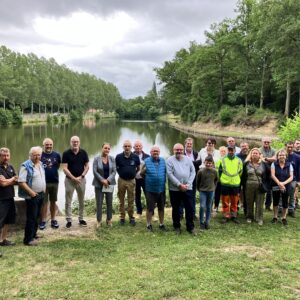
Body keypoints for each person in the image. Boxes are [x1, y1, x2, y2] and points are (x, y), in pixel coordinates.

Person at [18, 146, 46, 246]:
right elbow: (21, 181)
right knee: (31, 217)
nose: (37, 157)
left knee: (37, 216)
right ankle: (28, 240)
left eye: (39, 155)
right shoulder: (25, 165)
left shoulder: (41, 164)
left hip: (41, 194)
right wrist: (31, 192)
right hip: (32, 196)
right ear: (30, 155)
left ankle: (34, 234)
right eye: (34, 155)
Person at [167, 143, 196, 235]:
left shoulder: (188, 159)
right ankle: (176, 226)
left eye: (180, 149)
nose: (179, 151)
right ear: (173, 150)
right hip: (175, 189)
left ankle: (190, 227)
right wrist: (179, 185)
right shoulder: (169, 160)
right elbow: (169, 174)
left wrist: (188, 184)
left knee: (190, 208)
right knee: (176, 208)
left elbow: (193, 171)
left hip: (188, 188)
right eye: (177, 149)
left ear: (183, 150)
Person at [62, 136, 89, 228]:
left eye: (77, 141)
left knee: (81, 200)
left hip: (81, 180)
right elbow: (65, 168)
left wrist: (81, 176)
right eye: (73, 141)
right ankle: (69, 220)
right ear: (70, 142)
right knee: (68, 201)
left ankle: (81, 219)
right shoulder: (66, 153)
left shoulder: (84, 152)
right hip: (69, 180)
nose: (75, 143)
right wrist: (73, 178)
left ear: (79, 142)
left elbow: (87, 166)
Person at [141, 145, 167, 231]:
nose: (155, 152)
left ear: (159, 152)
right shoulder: (146, 161)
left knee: (161, 208)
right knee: (150, 208)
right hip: (150, 190)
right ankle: (148, 224)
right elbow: (141, 173)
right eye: (154, 151)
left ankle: (161, 224)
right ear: (150, 152)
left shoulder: (163, 161)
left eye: (157, 151)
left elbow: (166, 172)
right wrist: (149, 180)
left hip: (161, 189)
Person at [116, 140, 140, 226]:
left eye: (128, 146)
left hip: (131, 181)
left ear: (131, 147)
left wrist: (132, 174)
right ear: (123, 147)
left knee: (131, 199)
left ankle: (131, 217)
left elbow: (138, 168)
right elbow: (117, 168)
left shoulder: (135, 157)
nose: (127, 148)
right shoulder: (118, 157)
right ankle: (122, 217)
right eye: (125, 146)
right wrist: (122, 174)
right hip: (121, 180)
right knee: (121, 199)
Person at [242, 148, 269, 225]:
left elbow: (269, 173)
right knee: (249, 202)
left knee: (260, 202)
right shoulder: (246, 164)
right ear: (251, 154)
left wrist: (263, 160)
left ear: (259, 155)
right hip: (248, 185)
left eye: (256, 153)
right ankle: (249, 217)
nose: (254, 154)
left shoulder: (263, 164)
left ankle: (259, 218)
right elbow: (243, 174)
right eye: (253, 153)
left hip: (259, 186)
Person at [217, 145, 243, 224]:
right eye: (229, 150)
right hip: (225, 183)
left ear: (235, 151)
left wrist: (236, 179)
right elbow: (219, 172)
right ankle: (226, 216)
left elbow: (240, 172)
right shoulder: (222, 160)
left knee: (235, 201)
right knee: (225, 201)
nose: (231, 152)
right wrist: (222, 180)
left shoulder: (239, 160)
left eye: (232, 150)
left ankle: (234, 216)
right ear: (227, 151)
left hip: (235, 184)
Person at [39, 138, 61, 230]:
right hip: (43, 183)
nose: (48, 146)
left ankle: (53, 219)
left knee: (53, 201)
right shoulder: (39, 155)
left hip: (54, 182)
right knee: (44, 203)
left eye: (50, 144)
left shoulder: (57, 155)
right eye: (46, 144)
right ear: (43, 145)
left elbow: (58, 166)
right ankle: (43, 221)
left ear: (52, 145)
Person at [92, 143, 116, 227]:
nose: (107, 150)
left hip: (109, 184)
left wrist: (108, 180)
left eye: (108, 148)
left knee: (109, 202)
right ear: (102, 148)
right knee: (99, 203)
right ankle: (99, 220)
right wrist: (102, 180)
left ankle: (109, 220)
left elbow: (114, 171)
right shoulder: (96, 159)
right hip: (99, 184)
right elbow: (95, 171)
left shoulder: (112, 159)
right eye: (105, 148)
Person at [0, 148, 18, 247]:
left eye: (7, 155)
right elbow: (2, 184)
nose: (6, 158)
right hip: (1, 199)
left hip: (10, 197)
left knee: (8, 220)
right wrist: (11, 179)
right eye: (3, 156)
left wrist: (8, 181)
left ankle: (3, 240)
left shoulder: (10, 167)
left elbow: (17, 180)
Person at [270, 150, 293, 226]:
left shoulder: (289, 165)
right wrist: (279, 183)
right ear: (277, 156)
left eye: (283, 155)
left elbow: (291, 177)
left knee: (285, 202)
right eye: (280, 155)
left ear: (286, 156)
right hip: (276, 185)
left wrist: (283, 183)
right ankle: (275, 217)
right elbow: (273, 175)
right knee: (275, 201)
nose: (281, 156)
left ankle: (284, 218)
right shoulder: (274, 164)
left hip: (286, 186)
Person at [196, 155, 218, 230]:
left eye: (210, 163)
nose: (208, 164)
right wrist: (199, 189)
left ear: (212, 163)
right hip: (203, 191)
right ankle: (201, 222)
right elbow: (197, 181)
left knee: (209, 207)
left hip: (211, 191)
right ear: (204, 162)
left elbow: (216, 180)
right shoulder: (201, 171)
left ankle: (207, 222)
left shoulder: (215, 171)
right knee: (202, 206)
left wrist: (213, 187)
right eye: (207, 162)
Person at [183, 137, 201, 220]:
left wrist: (188, 163)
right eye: (188, 144)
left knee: (192, 197)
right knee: (181, 197)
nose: (189, 145)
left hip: (193, 179)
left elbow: (199, 163)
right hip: (182, 179)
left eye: (191, 144)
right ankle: (180, 214)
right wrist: (193, 163)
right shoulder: (181, 153)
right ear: (185, 144)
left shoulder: (196, 154)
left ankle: (192, 214)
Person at [133, 140, 149, 218]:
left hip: (144, 179)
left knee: (148, 195)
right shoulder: (131, 155)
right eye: (136, 146)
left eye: (139, 146)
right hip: (135, 179)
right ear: (134, 147)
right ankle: (139, 212)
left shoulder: (147, 156)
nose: (138, 147)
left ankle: (150, 212)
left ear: (142, 147)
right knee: (137, 196)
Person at [260, 136, 276, 211]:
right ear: (262, 142)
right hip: (262, 171)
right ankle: (260, 204)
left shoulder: (274, 150)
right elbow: (260, 159)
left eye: (268, 142)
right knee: (261, 188)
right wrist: (270, 159)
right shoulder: (259, 149)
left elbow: (275, 159)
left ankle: (268, 205)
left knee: (270, 190)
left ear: (270, 142)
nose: (266, 143)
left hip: (271, 172)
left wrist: (266, 158)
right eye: (265, 142)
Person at [285, 141, 300, 217]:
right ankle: (281, 209)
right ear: (286, 146)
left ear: (293, 147)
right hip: (283, 178)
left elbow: (298, 170)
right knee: (282, 194)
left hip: (293, 179)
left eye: (291, 147)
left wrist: (298, 180)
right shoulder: (283, 155)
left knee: (292, 195)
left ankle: (291, 210)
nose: (290, 148)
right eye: (288, 147)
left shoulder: (297, 157)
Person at [237, 141, 250, 215]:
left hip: (247, 178)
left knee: (246, 194)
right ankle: (236, 209)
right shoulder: (237, 156)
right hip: (238, 177)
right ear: (240, 147)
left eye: (246, 146)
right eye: (243, 146)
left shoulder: (251, 155)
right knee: (237, 193)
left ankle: (246, 210)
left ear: (248, 147)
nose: (244, 147)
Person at [214, 146, 228, 212]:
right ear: (219, 152)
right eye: (221, 151)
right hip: (218, 180)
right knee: (217, 194)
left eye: (224, 151)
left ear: (226, 152)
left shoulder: (228, 160)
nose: (223, 152)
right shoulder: (217, 160)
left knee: (225, 195)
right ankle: (216, 206)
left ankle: (224, 207)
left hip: (225, 181)